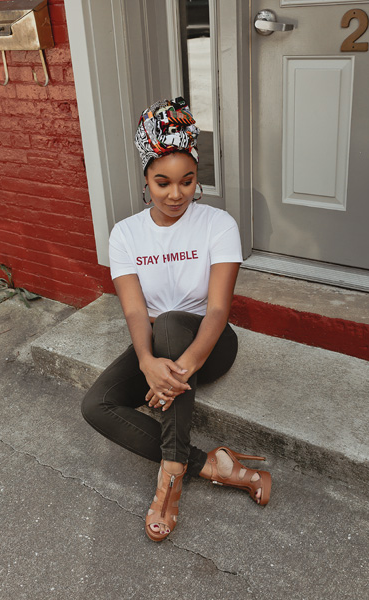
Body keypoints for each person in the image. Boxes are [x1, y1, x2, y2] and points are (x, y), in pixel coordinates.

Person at [82, 97, 271, 542]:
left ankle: (171, 476)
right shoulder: (126, 234)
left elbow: (220, 309)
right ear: (145, 179)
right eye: (162, 182)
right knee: (96, 405)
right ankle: (213, 464)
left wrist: (178, 370)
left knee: (168, 321)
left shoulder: (218, 224)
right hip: (156, 342)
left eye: (187, 181)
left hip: (211, 342)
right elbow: (132, 308)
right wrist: (147, 361)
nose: (176, 194)